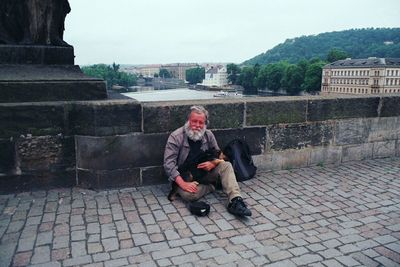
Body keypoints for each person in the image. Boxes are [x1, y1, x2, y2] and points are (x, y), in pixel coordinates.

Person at [163, 105, 252, 217]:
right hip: (185, 176)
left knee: (226, 165)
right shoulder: (176, 137)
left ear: (205, 124)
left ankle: (236, 200)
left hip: (205, 172)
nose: (197, 125)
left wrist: (213, 163)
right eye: (194, 121)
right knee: (188, 195)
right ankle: (211, 187)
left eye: (201, 123)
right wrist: (183, 184)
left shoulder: (208, 135)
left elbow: (220, 155)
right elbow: (168, 164)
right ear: (188, 121)